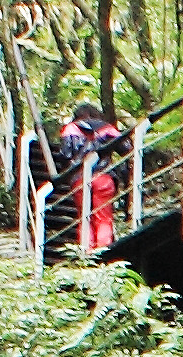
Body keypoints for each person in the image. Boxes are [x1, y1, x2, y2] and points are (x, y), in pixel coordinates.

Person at [52, 100, 132, 253]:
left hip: (79, 178)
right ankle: (103, 251)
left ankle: (86, 251)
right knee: (104, 217)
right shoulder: (107, 128)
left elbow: (65, 154)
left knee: (84, 217)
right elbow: (126, 148)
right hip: (104, 176)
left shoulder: (70, 129)